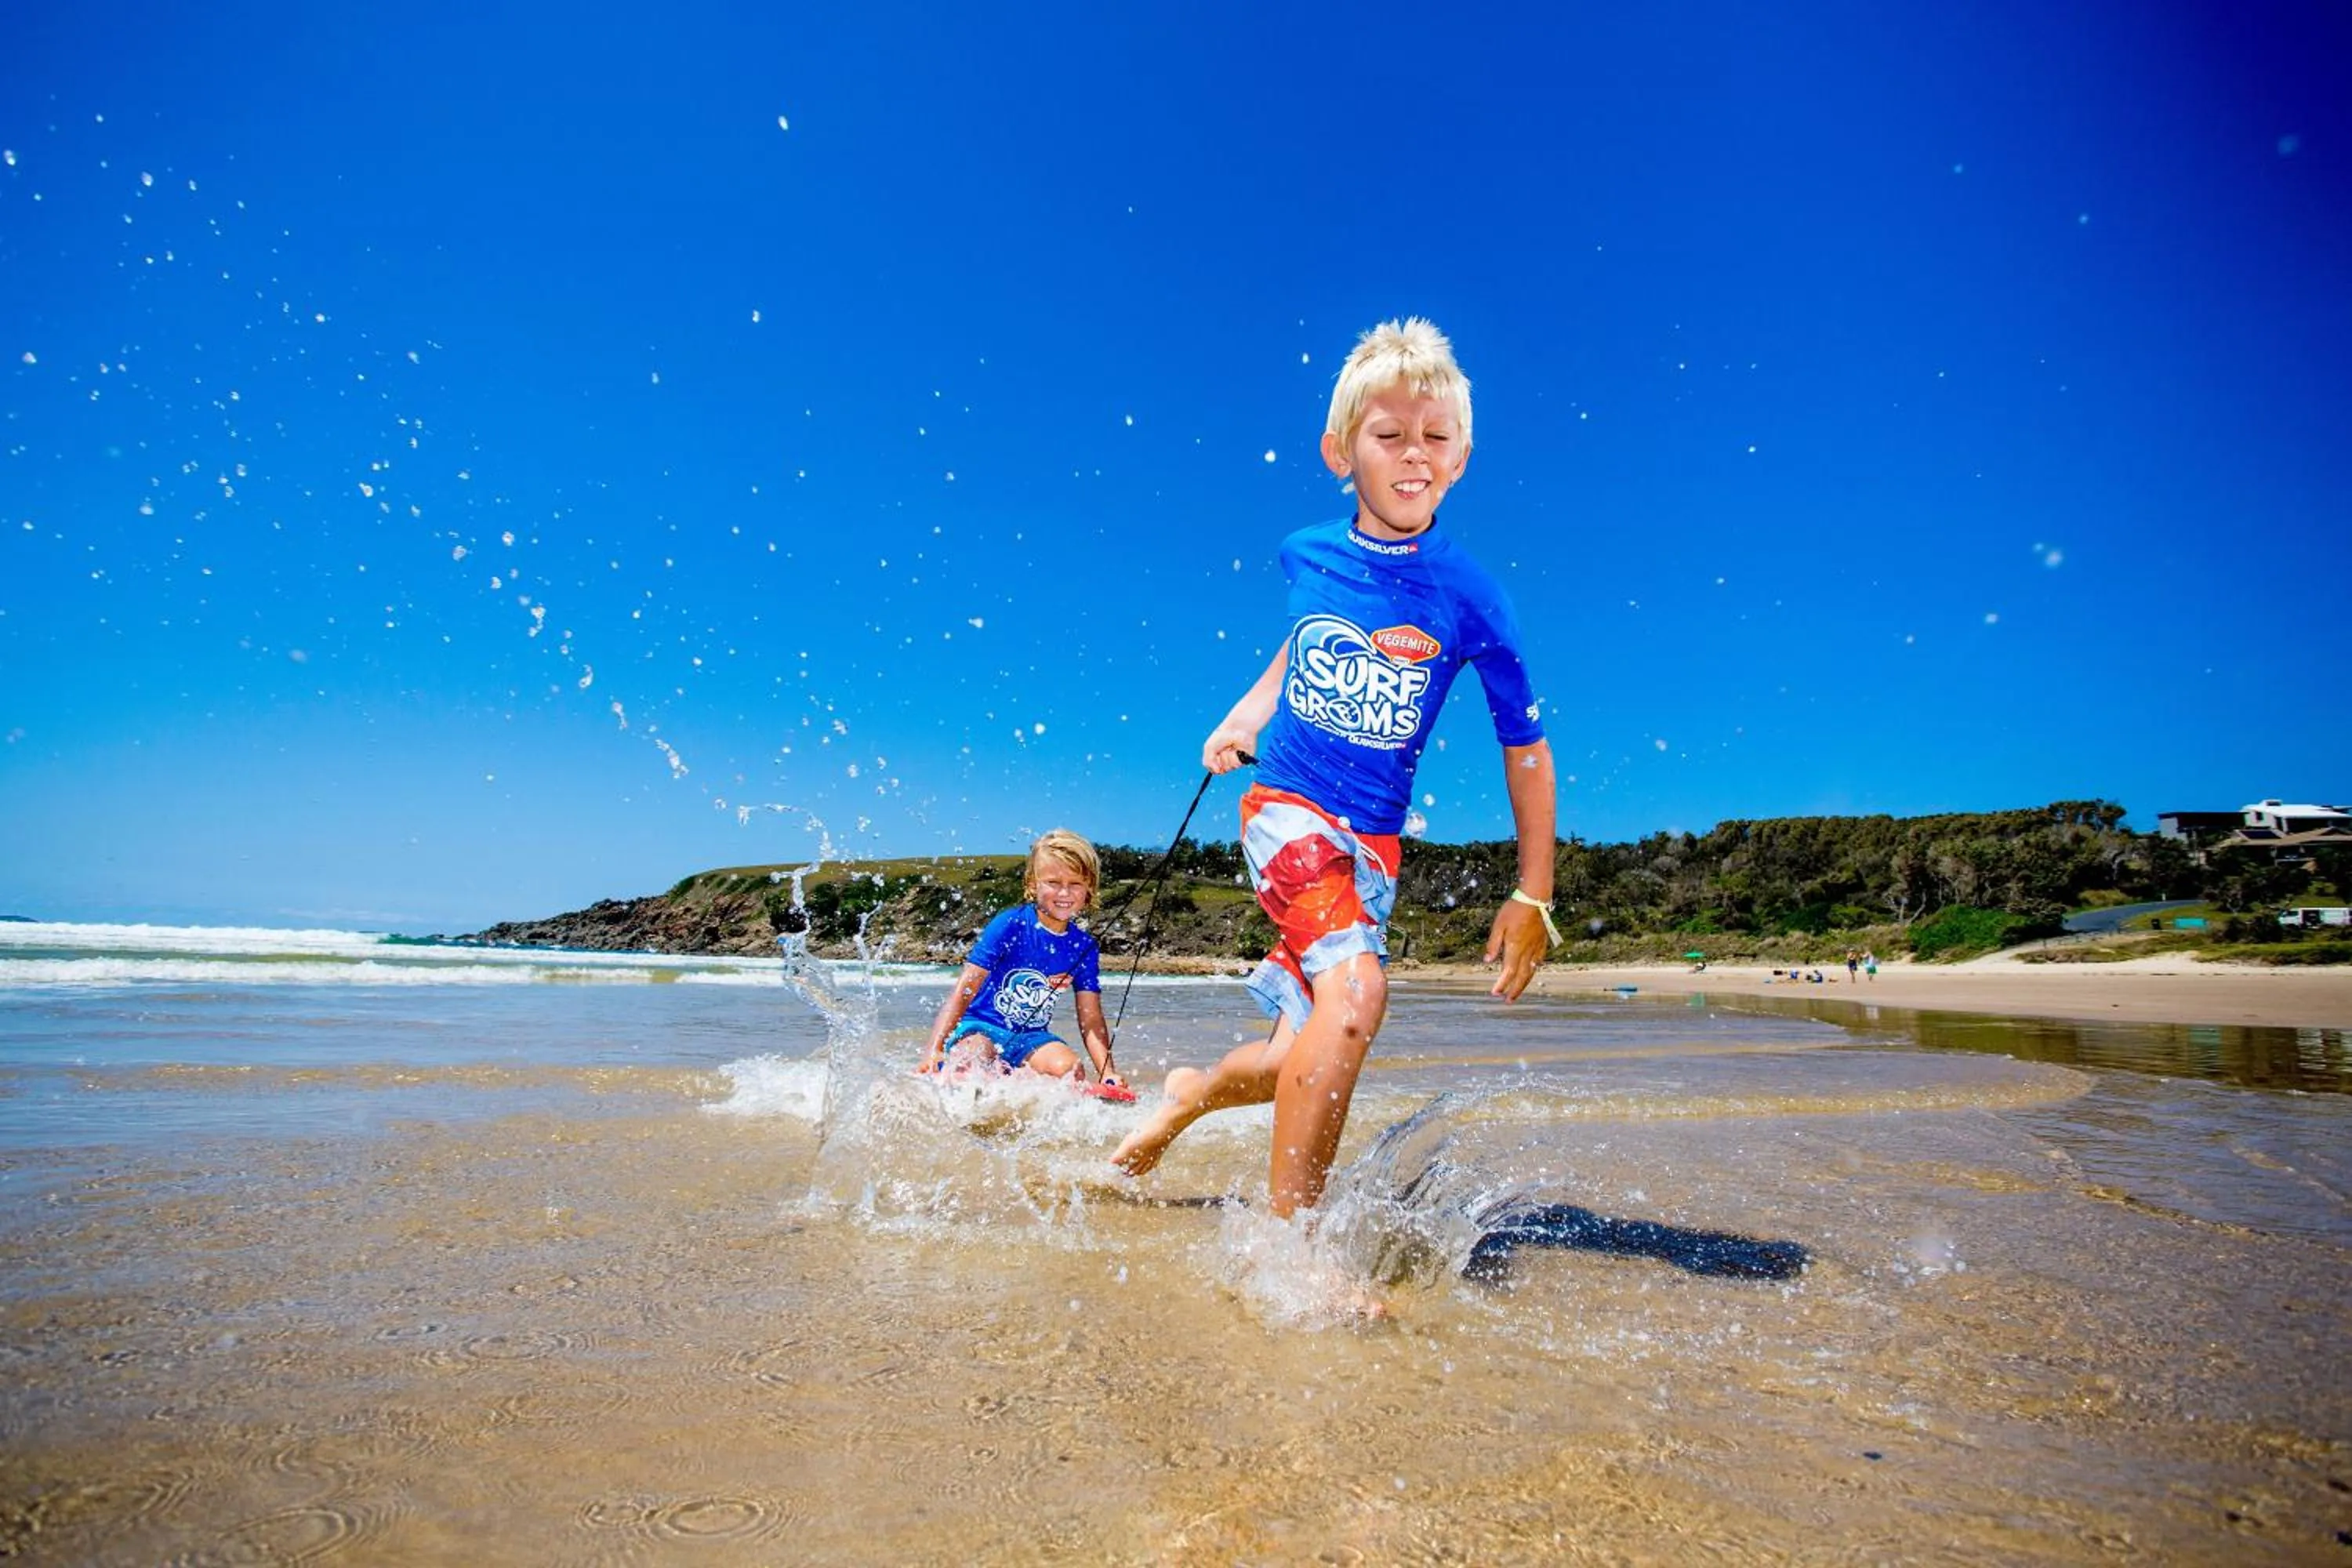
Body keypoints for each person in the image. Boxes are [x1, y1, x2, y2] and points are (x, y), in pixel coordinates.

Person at [1112, 318, 1557, 1219]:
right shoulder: (1306, 552)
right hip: (1287, 811)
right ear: (1340, 450)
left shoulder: (1475, 597)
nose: (1414, 454)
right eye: (1389, 434)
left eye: (1435, 436)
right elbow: (1308, 641)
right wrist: (1248, 712)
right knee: (1356, 993)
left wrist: (1535, 892)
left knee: (1296, 1055)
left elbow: (1527, 747)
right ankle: (1293, 1249)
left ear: (1463, 455)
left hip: (1376, 846)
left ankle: (1186, 1097)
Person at [920, 829, 1123, 1091]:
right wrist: (934, 1050)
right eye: (1053, 882)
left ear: (1089, 889)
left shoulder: (1083, 947)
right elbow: (964, 990)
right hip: (980, 1028)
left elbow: (1091, 1019)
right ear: (1032, 884)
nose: (1064, 893)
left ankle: (1013, 1080)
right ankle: (994, 1077)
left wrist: (1108, 1072)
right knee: (973, 1058)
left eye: (1075, 884)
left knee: (1071, 1071)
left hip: (1032, 1038)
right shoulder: (1010, 924)